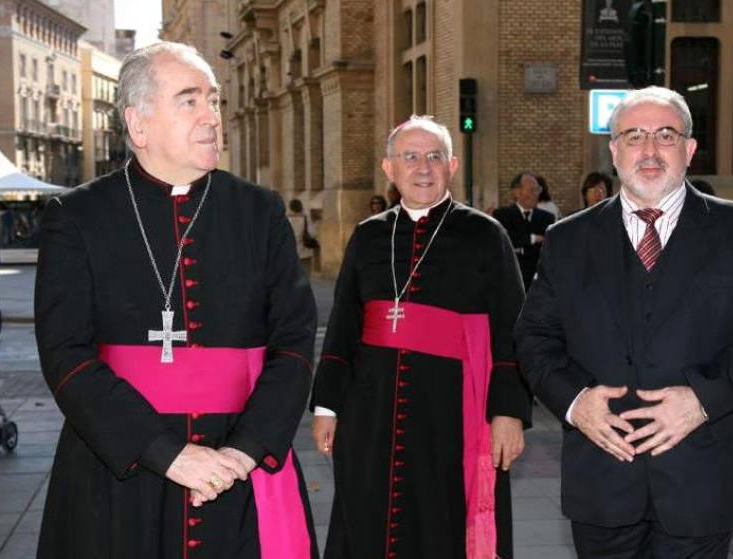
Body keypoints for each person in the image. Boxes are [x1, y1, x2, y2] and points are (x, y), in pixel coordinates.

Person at [34, 42, 318, 559]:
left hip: (238, 465)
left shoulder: (259, 212)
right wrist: (166, 454)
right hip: (120, 469)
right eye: (190, 100)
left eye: (214, 100)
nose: (212, 116)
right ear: (138, 124)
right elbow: (66, 356)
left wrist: (245, 450)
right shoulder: (77, 216)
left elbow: (295, 343)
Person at [515, 86, 733, 559]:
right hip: (603, 476)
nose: (648, 150)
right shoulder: (568, 240)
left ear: (688, 149)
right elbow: (534, 336)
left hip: (702, 474)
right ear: (613, 150)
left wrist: (703, 401)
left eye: (665, 135)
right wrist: (575, 403)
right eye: (633, 136)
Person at [311, 115, 531, 559]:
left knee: (442, 519)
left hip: (450, 407)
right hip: (369, 408)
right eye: (410, 157)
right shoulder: (369, 234)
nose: (423, 168)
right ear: (389, 168)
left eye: (434, 157)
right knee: (366, 510)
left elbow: (514, 328)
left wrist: (507, 411)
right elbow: (343, 325)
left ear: (451, 166)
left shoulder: (485, 234)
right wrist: (327, 406)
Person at [494, 172, 556, 290]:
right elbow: (506, 240)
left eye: (538, 190)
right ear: (517, 192)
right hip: (512, 279)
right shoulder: (502, 215)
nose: (536, 194)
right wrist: (533, 238)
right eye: (532, 190)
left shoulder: (547, 218)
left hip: (538, 282)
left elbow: (549, 248)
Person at [288, 198, 316, 274]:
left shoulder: (286, 220)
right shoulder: (305, 219)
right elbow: (312, 233)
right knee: (305, 276)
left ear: (290, 208)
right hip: (305, 253)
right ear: (301, 207)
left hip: (290, 253)